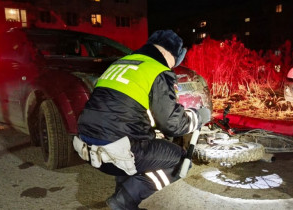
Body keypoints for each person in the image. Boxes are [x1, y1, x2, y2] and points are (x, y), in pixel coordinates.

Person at [74, 30, 211, 210]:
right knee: (180, 161)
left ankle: (124, 203)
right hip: (117, 151)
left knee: (137, 143)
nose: (174, 65)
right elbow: (173, 124)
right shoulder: (157, 69)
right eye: (176, 59)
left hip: (88, 148)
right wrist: (199, 115)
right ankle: (122, 202)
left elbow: (124, 110)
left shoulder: (120, 64)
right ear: (166, 53)